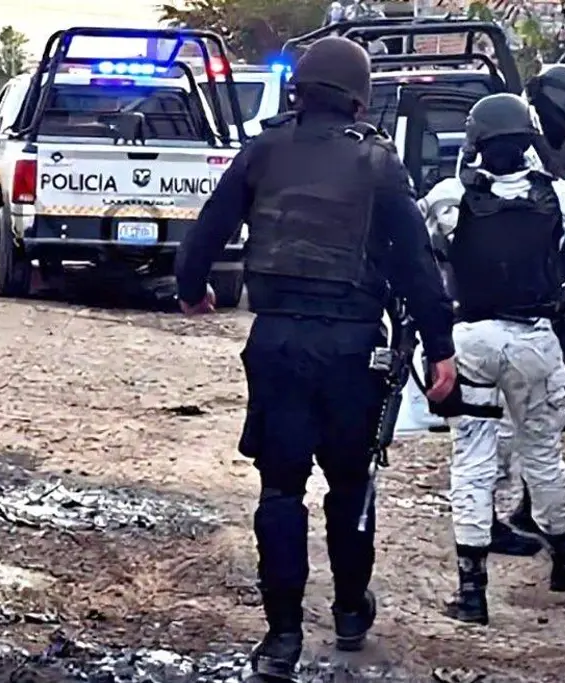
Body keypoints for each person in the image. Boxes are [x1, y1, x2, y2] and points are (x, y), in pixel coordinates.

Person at [174, 37, 457, 683]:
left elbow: (206, 232)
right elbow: (414, 263)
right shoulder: (378, 163)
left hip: (276, 342)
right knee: (351, 483)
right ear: (358, 97)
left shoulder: (262, 149)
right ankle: (352, 613)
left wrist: (193, 289)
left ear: (299, 91)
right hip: (351, 348)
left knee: (280, 490)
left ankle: (280, 639)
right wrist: (440, 348)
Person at [418, 93, 565, 627]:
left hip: (472, 343)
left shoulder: (447, 196)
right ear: (528, 139)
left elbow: (417, 252)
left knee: (473, 461)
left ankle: (472, 592)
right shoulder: (559, 197)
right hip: (535, 345)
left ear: (476, 141)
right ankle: (564, 543)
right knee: (542, 454)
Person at [482, 64, 565, 558]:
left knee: (537, 422)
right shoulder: (517, 149)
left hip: (525, 299)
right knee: (507, 425)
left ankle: (524, 510)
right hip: (516, 308)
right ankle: (489, 525)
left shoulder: (520, 135)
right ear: (560, 109)